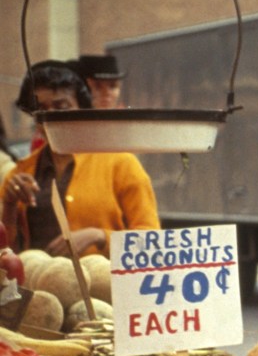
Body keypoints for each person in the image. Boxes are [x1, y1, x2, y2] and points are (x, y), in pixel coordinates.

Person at [1, 61, 159, 258]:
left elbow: (153, 241)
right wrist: (8, 205)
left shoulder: (121, 164)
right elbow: (7, 252)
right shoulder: (22, 171)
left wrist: (99, 236)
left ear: (81, 108)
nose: (50, 117)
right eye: (41, 109)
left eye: (61, 107)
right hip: (40, 285)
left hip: (102, 285)